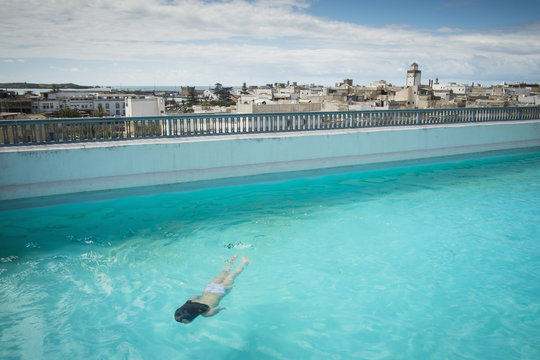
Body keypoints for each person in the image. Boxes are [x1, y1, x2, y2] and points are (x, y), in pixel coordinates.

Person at [175, 254, 249, 324]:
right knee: (224, 272)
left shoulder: (206, 314)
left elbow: (219, 308)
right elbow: (196, 295)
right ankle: (233, 258)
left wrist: (222, 308)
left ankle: (245, 263)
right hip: (209, 289)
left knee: (232, 275)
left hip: (219, 292)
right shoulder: (190, 301)